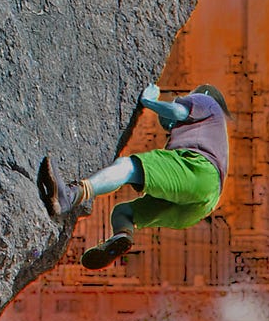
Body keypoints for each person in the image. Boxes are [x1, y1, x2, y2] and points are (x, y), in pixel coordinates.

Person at [38, 82, 230, 269]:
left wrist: (149, 101)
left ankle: (71, 195)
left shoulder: (207, 101)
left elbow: (178, 112)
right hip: (202, 204)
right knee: (123, 213)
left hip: (198, 170)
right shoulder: (212, 132)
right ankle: (122, 236)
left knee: (128, 167)